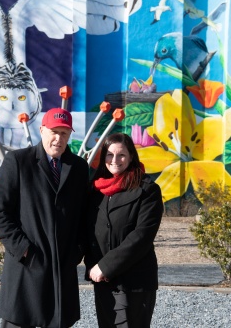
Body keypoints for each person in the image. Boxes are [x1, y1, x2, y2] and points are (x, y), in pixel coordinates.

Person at [0, 108, 89, 328]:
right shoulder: (18, 161)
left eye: (64, 133)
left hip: (62, 268)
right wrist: (23, 249)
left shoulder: (78, 167)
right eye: (54, 131)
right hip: (26, 267)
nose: (58, 138)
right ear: (42, 130)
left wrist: (76, 252)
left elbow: (85, 215)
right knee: (20, 320)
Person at [84, 133, 164, 327]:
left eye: (121, 155)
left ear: (131, 157)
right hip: (103, 281)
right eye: (109, 155)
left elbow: (141, 236)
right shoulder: (97, 190)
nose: (115, 160)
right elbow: (87, 231)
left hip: (134, 282)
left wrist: (106, 266)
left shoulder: (147, 190)